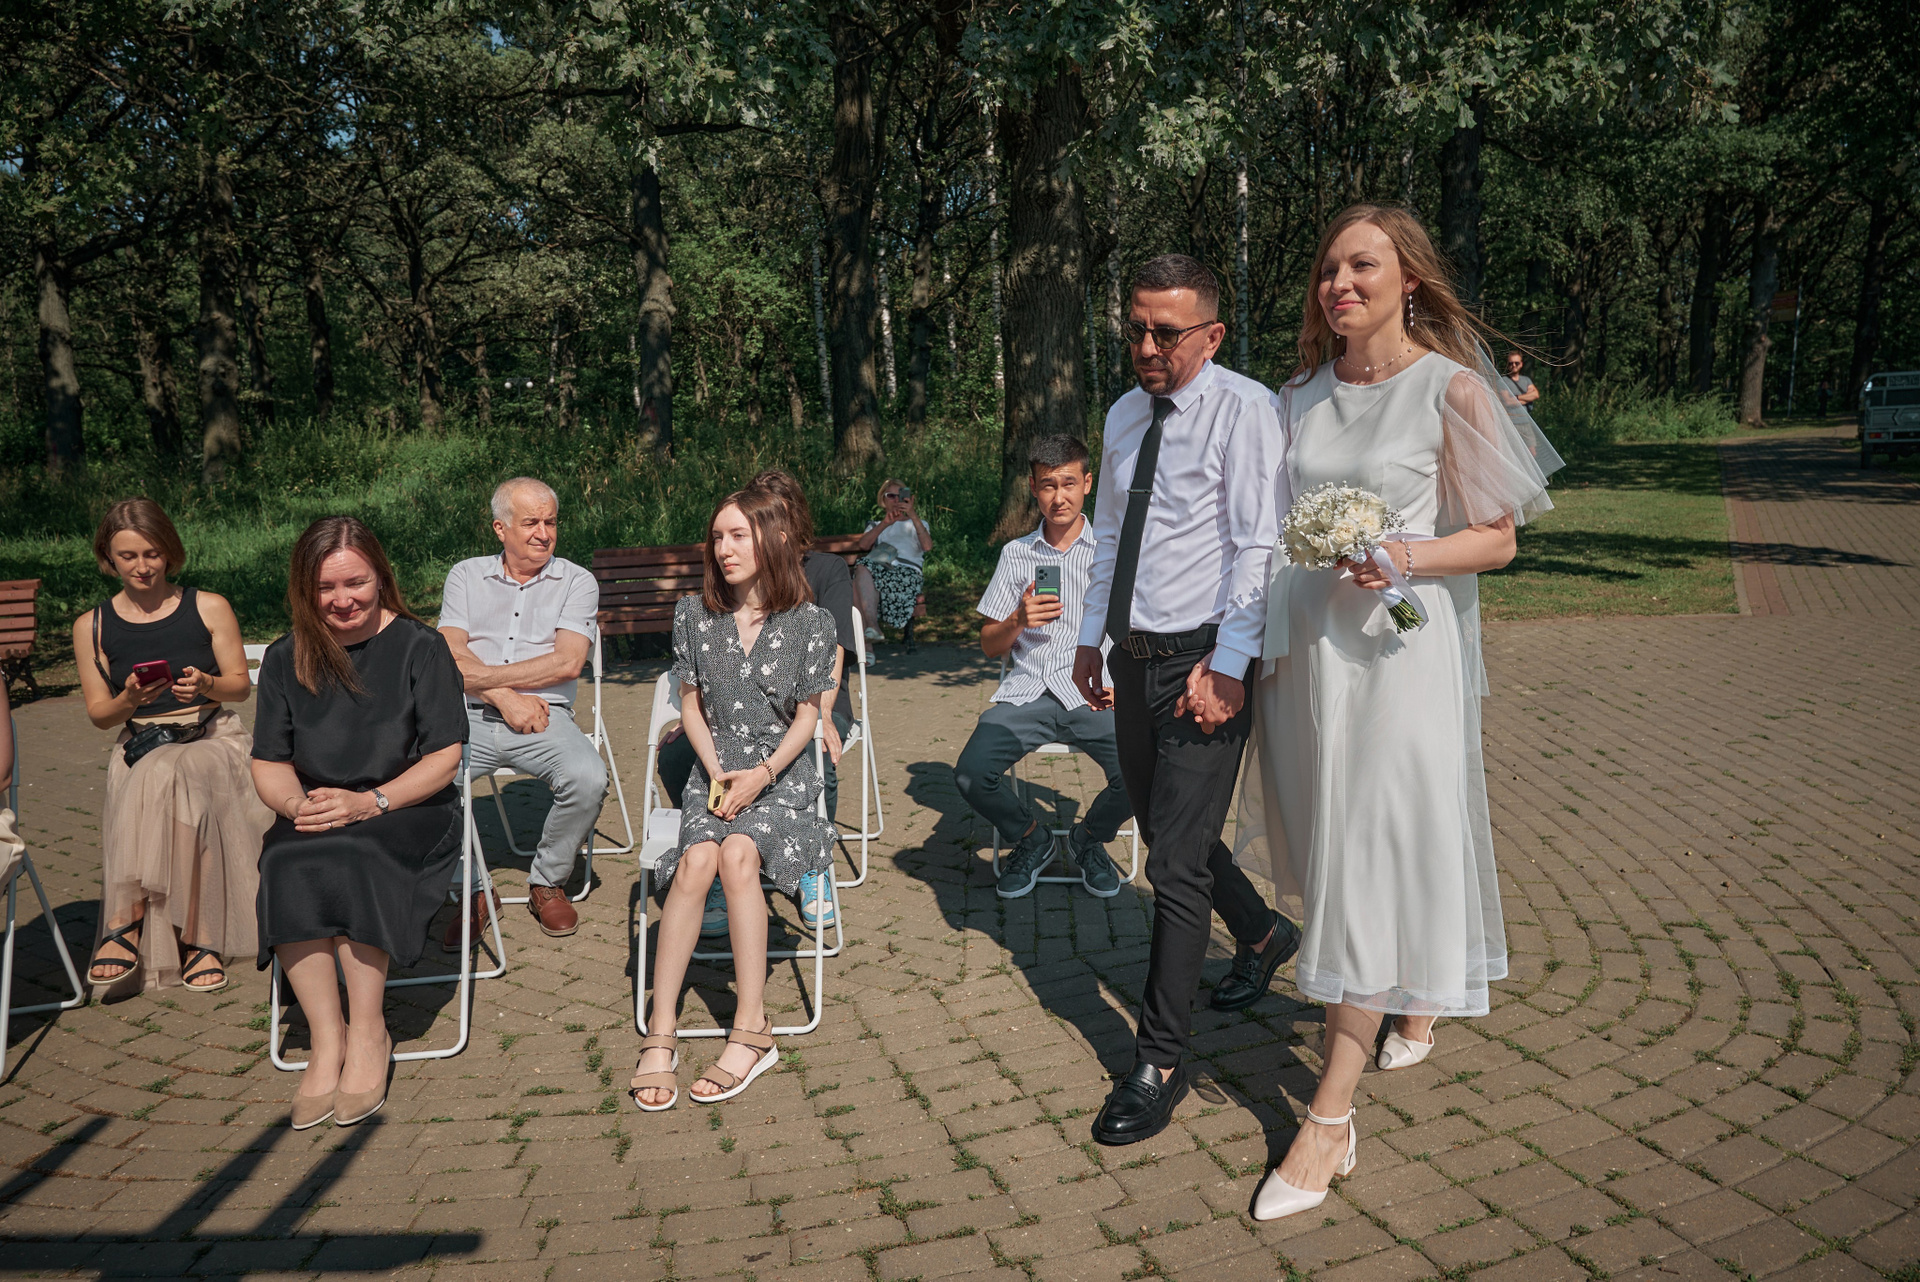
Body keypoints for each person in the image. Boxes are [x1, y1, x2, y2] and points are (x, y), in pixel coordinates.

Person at [1238, 204, 1561, 1220]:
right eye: (1327, 268)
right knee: (1330, 850)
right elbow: (1259, 527)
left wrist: (1404, 554)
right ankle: (1410, 997)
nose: (1339, 283)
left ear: (1409, 278)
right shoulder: (1295, 397)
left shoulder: (1450, 389)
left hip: (1396, 659)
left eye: (1362, 265)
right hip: (1306, 660)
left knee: (1370, 860)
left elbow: (1498, 539)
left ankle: (1328, 1118)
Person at [1070, 254, 1300, 1148]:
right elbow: (1112, 535)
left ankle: (1160, 1061)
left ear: (1211, 335)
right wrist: (1090, 636)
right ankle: (1262, 935)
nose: (1145, 347)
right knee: (1177, 834)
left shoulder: (1245, 409)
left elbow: (1258, 545)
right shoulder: (1123, 414)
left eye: (1165, 332)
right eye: (1134, 328)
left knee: (1170, 865)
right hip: (1132, 657)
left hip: (1204, 661)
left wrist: (1231, 664)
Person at [251, 517, 469, 1129]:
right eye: (326, 587)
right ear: (305, 589)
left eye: (356, 583)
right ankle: (328, 1040)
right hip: (319, 807)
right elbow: (268, 761)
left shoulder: (422, 647)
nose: (342, 599)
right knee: (285, 857)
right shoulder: (286, 656)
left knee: (356, 854)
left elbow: (444, 758)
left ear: (380, 578)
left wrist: (370, 803)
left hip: (407, 807)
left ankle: (370, 1031)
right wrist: (295, 806)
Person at [628, 489, 838, 1111]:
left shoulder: (812, 623)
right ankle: (661, 1029)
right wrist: (718, 771)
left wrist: (761, 774)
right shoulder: (694, 614)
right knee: (696, 861)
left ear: (774, 539)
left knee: (740, 853)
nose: (723, 548)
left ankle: (752, 1028)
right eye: (717, 536)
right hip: (715, 771)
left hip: (783, 776)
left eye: (738, 535)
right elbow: (690, 707)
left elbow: (808, 716)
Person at [69, 499, 270, 995]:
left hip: (211, 736)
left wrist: (206, 684)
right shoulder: (91, 625)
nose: (142, 567)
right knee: (162, 774)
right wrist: (128, 699)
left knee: (172, 774)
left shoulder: (208, 606)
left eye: (152, 554)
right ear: (108, 559)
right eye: (128, 556)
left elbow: (240, 688)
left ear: (170, 552)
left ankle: (125, 921)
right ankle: (200, 940)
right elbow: (100, 716)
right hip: (142, 744)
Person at [655, 469, 857, 933]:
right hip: (732, 722)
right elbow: (704, 676)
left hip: (814, 702)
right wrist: (704, 718)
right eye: (722, 534)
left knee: (818, 756)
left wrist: (824, 714)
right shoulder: (712, 601)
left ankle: (809, 866)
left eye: (766, 517)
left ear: (787, 524)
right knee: (677, 755)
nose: (728, 546)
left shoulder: (825, 574)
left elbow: (835, 653)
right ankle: (715, 860)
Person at [956, 435, 1128, 900]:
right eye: (1048, 485)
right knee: (971, 772)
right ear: (1033, 488)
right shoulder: (1017, 554)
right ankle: (1032, 839)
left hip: (1095, 692)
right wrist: (1017, 619)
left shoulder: (1112, 550)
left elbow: (1137, 628)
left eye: (1068, 483)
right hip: (1028, 691)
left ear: (1087, 483)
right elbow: (988, 645)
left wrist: (1127, 686)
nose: (1059, 497)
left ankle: (1088, 838)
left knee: (1145, 771)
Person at [437, 478, 606, 943]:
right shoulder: (466, 575)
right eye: (531, 522)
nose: (543, 533)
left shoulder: (577, 581)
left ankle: (547, 880)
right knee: (425, 784)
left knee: (588, 778)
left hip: (545, 715)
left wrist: (482, 677)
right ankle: (472, 889)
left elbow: (567, 662)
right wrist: (505, 696)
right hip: (466, 715)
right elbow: (447, 653)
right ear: (500, 528)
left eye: (551, 522)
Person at [851, 479, 931, 641]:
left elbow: (927, 546)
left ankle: (869, 640)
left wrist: (913, 515)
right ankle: (871, 633)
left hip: (907, 575)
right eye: (890, 496)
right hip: (880, 572)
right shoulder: (876, 525)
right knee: (859, 572)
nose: (895, 500)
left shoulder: (918, 524)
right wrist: (885, 524)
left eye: (899, 496)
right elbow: (863, 545)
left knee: (858, 579)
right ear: (883, 500)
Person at [1499, 350, 1539, 421]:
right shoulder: (1503, 381)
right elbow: (1507, 402)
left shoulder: (1526, 380)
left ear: (1521, 364)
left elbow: (1535, 395)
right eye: (1511, 363)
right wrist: (1527, 399)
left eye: (1516, 363)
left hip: (1526, 421)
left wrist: (1516, 398)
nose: (1514, 365)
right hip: (1511, 422)